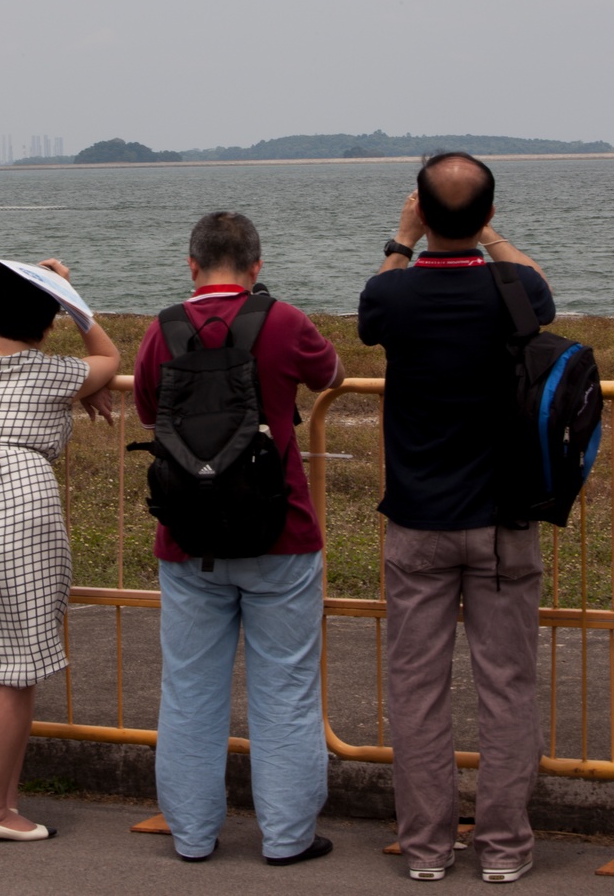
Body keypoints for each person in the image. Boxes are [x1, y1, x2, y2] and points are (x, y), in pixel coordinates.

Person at [358, 153, 554, 885]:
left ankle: (428, 850)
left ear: (420, 212)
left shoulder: (396, 296)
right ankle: (504, 850)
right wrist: (492, 237)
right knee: (507, 688)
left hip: (418, 520)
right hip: (504, 521)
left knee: (417, 688)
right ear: (489, 215)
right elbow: (540, 290)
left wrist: (400, 240)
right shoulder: (516, 290)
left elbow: (372, 306)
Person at [133, 211, 344, 866]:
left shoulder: (162, 328)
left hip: (189, 535)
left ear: (192, 266)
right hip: (279, 532)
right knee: (286, 687)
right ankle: (288, 836)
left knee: (190, 689)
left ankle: (192, 835)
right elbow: (331, 374)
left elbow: (148, 409)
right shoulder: (281, 321)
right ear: (257, 267)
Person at [0, 259, 119, 843]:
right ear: (48, 318)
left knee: (8, 669)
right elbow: (110, 360)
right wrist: (71, 295)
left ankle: (5, 799)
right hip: (20, 528)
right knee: (16, 675)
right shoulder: (53, 371)